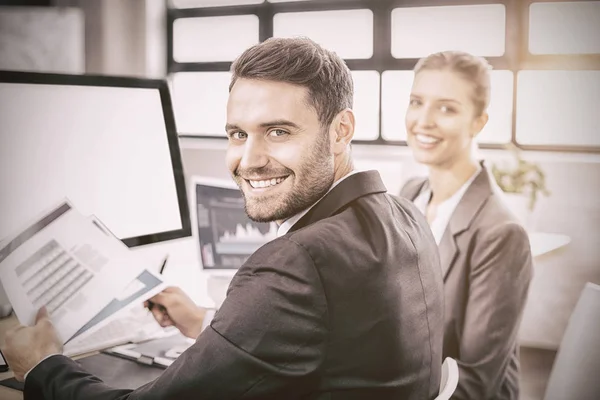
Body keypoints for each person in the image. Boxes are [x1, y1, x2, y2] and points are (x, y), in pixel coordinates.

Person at [2, 37, 444, 400]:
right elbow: (331, 341)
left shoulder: (296, 262)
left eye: (278, 132)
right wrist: (210, 327)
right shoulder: (405, 215)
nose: (248, 161)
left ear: (340, 130)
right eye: (237, 134)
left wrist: (43, 367)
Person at [399, 50, 533, 400]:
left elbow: (474, 383)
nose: (423, 120)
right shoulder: (409, 195)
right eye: (417, 102)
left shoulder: (501, 233)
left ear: (478, 122)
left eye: (446, 108)